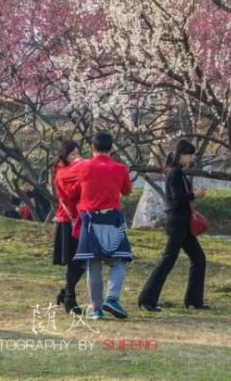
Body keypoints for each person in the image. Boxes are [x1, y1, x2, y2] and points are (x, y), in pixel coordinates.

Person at [67, 132, 133, 320]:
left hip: (90, 220)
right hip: (113, 218)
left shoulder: (83, 167)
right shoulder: (120, 168)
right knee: (118, 262)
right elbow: (127, 191)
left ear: (91, 148)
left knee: (93, 265)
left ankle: (96, 310)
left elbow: (71, 192)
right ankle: (112, 298)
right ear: (111, 148)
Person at [138, 139, 209, 312]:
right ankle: (147, 298)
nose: (191, 158)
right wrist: (194, 194)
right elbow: (176, 198)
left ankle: (194, 300)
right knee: (168, 260)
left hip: (183, 224)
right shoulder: (175, 173)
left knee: (199, 259)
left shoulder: (177, 172)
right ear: (182, 155)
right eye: (189, 155)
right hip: (177, 223)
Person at [51, 140, 85, 314]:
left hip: (80, 218)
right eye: (73, 154)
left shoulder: (74, 170)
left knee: (82, 261)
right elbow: (69, 196)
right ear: (64, 156)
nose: (76, 157)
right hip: (69, 219)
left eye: (78, 153)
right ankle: (70, 300)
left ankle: (66, 293)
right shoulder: (62, 173)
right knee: (75, 261)